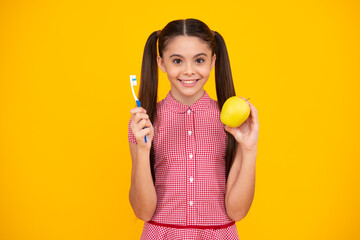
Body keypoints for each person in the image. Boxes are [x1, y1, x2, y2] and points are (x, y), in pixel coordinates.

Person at [128, 18, 259, 240]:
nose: (189, 71)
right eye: (177, 61)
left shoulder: (232, 122)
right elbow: (142, 211)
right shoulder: (144, 124)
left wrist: (249, 149)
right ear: (161, 63)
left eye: (199, 60)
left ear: (213, 61)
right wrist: (142, 150)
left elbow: (237, 211)